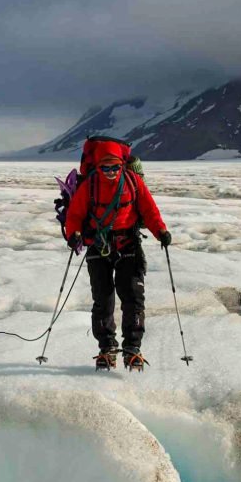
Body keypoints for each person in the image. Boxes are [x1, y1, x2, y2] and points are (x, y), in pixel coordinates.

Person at [64, 138, 171, 371]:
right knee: (103, 299)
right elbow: (74, 215)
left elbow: (149, 209)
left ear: (122, 166)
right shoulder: (89, 185)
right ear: (98, 166)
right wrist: (73, 234)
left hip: (128, 244)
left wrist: (160, 230)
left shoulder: (132, 182)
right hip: (97, 246)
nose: (111, 172)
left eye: (115, 167)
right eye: (105, 167)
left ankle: (132, 347)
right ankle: (107, 347)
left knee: (133, 296)